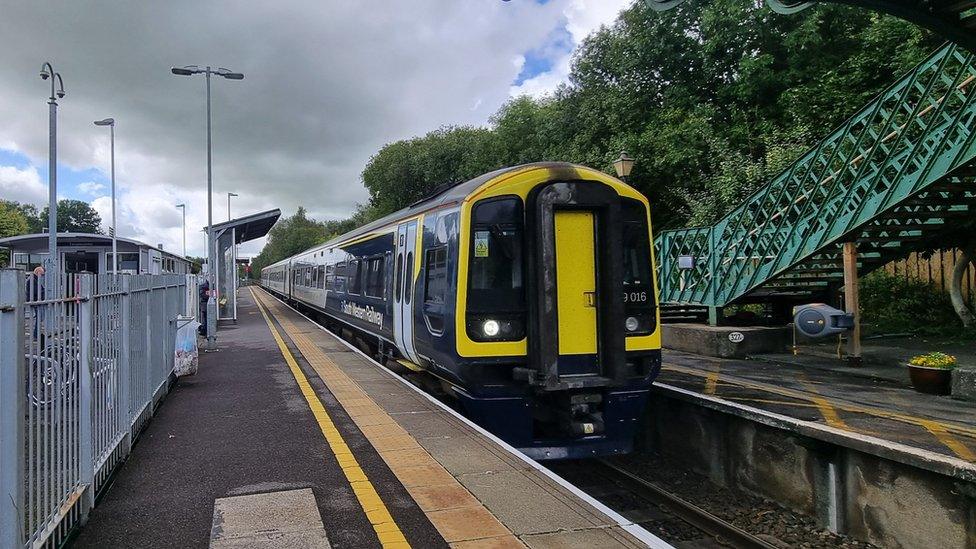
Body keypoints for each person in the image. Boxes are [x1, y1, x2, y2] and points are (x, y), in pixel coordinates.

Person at [25, 266, 46, 343]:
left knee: (39, 317)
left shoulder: (34, 279)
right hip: (35, 301)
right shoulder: (32, 280)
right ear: (38, 272)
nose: (42, 276)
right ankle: (36, 334)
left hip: (35, 300)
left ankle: (36, 333)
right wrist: (43, 292)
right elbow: (35, 291)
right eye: (42, 274)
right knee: (39, 317)